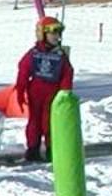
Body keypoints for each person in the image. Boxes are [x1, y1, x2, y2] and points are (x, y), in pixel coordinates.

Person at [15, 15, 72, 163]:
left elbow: (67, 73)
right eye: (53, 33)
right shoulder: (34, 53)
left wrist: (65, 92)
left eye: (58, 33)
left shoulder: (60, 55)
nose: (56, 37)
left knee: (50, 122)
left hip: (53, 93)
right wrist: (20, 90)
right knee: (34, 121)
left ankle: (52, 149)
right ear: (43, 34)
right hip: (36, 92)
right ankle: (33, 149)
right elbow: (23, 69)